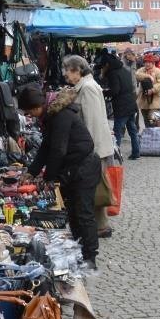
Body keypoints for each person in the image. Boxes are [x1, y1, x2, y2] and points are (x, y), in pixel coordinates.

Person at [19, 85, 101, 269]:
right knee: (73, 212)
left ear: (37, 105)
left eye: (30, 112)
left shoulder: (60, 115)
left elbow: (58, 150)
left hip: (83, 168)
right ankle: (80, 251)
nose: (30, 116)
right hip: (72, 169)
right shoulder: (51, 116)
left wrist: (48, 178)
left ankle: (90, 258)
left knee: (83, 214)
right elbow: (46, 147)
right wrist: (32, 172)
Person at [62, 55, 116, 238]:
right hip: (94, 147)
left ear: (78, 70)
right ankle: (101, 226)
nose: (65, 75)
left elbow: (92, 121)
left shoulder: (87, 88)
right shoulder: (85, 86)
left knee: (92, 187)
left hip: (94, 147)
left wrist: (88, 149)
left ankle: (98, 227)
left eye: (68, 71)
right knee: (96, 186)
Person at [103, 51, 140, 160]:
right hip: (130, 103)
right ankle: (136, 153)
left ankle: (116, 154)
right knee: (132, 130)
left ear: (107, 65)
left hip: (121, 106)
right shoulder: (125, 70)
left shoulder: (113, 73)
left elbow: (115, 90)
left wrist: (104, 92)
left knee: (117, 131)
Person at [135, 55, 160, 127]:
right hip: (143, 99)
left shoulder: (158, 71)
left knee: (152, 119)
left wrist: (152, 90)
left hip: (154, 99)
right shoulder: (142, 70)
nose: (147, 64)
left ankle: (154, 135)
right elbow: (137, 75)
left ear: (153, 63)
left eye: (149, 62)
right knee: (145, 119)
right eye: (145, 62)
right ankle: (148, 134)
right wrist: (148, 76)